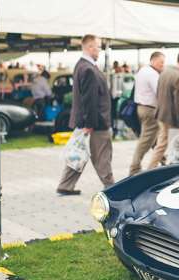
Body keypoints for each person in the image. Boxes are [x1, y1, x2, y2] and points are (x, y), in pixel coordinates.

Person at [56, 34, 114, 196]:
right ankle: (111, 187)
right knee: (102, 155)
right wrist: (90, 124)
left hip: (87, 121)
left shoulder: (82, 65)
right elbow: (89, 100)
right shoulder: (88, 69)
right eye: (98, 47)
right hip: (95, 122)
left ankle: (66, 185)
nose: (100, 50)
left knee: (79, 152)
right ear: (89, 48)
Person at [148, 51, 179, 169]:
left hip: (161, 114)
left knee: (162, 144)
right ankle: (152, 169)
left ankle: (155, 168)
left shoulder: (165, 71)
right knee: (171, 146)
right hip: (171, 118)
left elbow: (158, 93)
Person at [129, 51, 164, 176]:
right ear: (153, 60)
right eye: (161, 62)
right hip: (150, 110)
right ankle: (134, 168)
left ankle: (164, 161)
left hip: (142, 108)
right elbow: (160, 92)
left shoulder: (143, 70)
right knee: (146, 141)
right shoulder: (152, 74)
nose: (163, 65)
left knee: (154, 139)